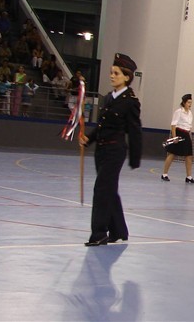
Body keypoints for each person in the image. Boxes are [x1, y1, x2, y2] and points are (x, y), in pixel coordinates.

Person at [79, 53, 142, 246]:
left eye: (116, 73)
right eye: (111, 72)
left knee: (102, 189)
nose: (112, 76)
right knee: (110, 190)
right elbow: (102, 125)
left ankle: (99, 233)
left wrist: (135, 158)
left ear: (126, 77)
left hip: (115, 152)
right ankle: (119, 230)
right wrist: (88, 138)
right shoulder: (108, 98)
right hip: (101, 150)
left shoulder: (130, 101)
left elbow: (134, 130)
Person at [161, 94, 194, 183]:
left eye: (191, 102)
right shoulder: (178, 112)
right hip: (179, 133)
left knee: (189, 156)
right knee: (172, 154)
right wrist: (174, 137)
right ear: (184, 102)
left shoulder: (190, 113)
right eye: (188, 102)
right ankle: (164, 174)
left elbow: (189, 126)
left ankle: (189, 176)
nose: (190, 104)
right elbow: (173, 125)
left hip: (186, 134)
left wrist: (190, 136)